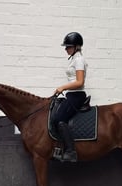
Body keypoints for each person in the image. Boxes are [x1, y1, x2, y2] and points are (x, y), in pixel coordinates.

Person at [53, 32, 88, 162]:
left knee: (59, 119)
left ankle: (71, 152)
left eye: (68, 47)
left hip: (77, 95)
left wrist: (63, 87)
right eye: (66, 47)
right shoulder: (74, 59)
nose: (66, 49)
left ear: (76, 47)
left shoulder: (79, 60)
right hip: (71, 95)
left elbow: (80, 82)